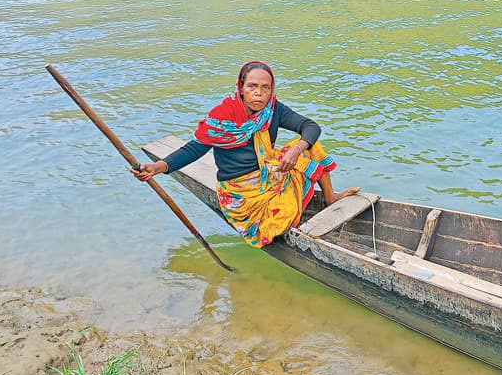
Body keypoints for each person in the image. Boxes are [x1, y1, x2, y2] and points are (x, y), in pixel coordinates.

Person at [130, 60, 358, 247]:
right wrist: (157, 168)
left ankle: (330, 197)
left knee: (310, 145)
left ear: (271, 90)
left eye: (265, 88)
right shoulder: (222, 117)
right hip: (241, 193)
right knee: (282, 219)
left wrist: (297, 149)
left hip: (268, 175)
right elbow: (192, 149)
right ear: (240, 88)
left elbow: (311, 126)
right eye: (252, 87)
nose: (259, 94)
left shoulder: (272, 109)